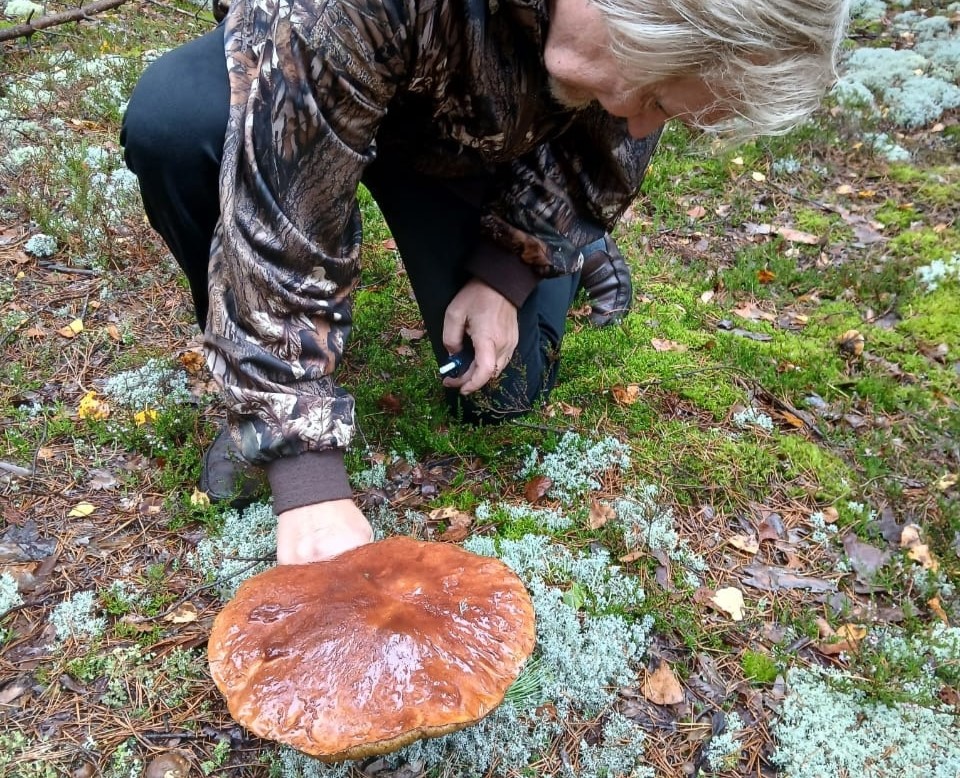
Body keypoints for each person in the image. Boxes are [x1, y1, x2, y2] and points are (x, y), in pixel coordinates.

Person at [121, 0, 849, 565]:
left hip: (475, 137)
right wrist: (303, 471)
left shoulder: (639, 45)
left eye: (665, 109)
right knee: (175, 125)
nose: (638, 119)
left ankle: (572, 252)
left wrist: (509, 270)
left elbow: (602, 151)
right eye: (657, 95)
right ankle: (258, 377)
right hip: (322, 74)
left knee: (504, 387)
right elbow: (282, 214)